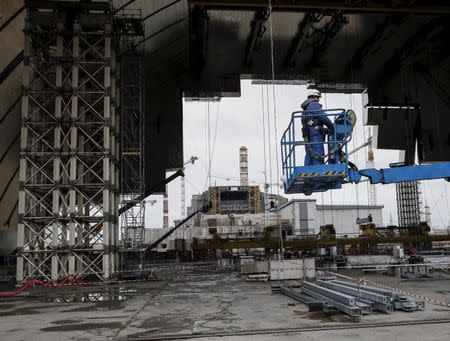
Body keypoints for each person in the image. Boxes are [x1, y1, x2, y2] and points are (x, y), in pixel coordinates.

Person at [301, 89, 334, 166]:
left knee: (309, 153)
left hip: (307, 134)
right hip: (315, 134)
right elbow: (324, 118)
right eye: (318, 97)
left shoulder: (305, 109)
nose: (319, 100)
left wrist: (324, 130)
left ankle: (307, 170)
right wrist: (332, 127)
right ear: (314, 97)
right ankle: (318, 171)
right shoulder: (314, 105)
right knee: (318, 153)